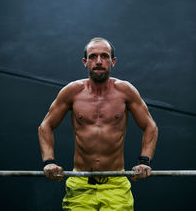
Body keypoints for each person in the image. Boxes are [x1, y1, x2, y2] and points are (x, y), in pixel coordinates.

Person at [38, 37, 158, 210]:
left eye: (105, 56)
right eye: (93, 56)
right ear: (85, 62)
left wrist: (145, 161)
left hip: (115, 184)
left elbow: (150, 126)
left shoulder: (125, 91)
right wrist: (48, 161)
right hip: (80, 183)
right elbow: (45, 126)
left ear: (113, 61)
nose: (99, 61)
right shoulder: (72, 91)